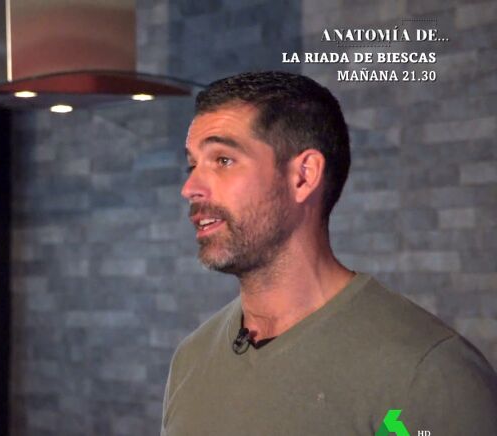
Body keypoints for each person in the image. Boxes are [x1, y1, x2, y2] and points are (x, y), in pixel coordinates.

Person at [161, 71, 497, 435]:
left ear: (304, 176)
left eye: (223, 160)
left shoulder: (428, 375)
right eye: (192, 164)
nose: (189, 187)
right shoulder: (191, 358)